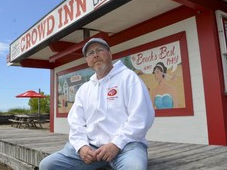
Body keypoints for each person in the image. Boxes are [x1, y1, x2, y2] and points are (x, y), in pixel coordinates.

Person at [39, 38, 155, 170]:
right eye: (90, 53)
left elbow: (141, 117)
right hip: (92, 149)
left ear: (110, 54)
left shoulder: (129, 78)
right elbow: (76, 123)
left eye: (100, 50)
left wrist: (116, 144)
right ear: (87, 61)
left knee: (134, 168)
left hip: (126, 146)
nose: (95, 55)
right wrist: (82, 146)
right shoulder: (84, 89)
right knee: (48, 165)